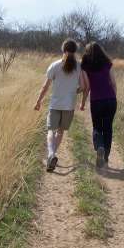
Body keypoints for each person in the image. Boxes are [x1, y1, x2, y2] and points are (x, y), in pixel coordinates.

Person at [34, 38, 87, 172]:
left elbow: (45, 86)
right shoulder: (79, 66)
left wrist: (38, 101)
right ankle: (53, 155)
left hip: (55, 104)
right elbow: (83, 86)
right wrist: (74, 91)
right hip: (69, 105)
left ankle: (51, 154)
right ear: (75, 51)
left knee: (51, 131)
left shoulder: (55, 65)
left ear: (63, 49)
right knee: (60, 131)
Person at [80, 42, 117, 168]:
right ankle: (105, 157)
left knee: (97, 127)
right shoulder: (107, 63)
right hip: (111, 100)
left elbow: (87, 87)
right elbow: (113, 83)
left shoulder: (85, 65)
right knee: (108, 128)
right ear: (101, 51)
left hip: (96, 101)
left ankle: (99, 147)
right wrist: (114, 97)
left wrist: (82, 103)